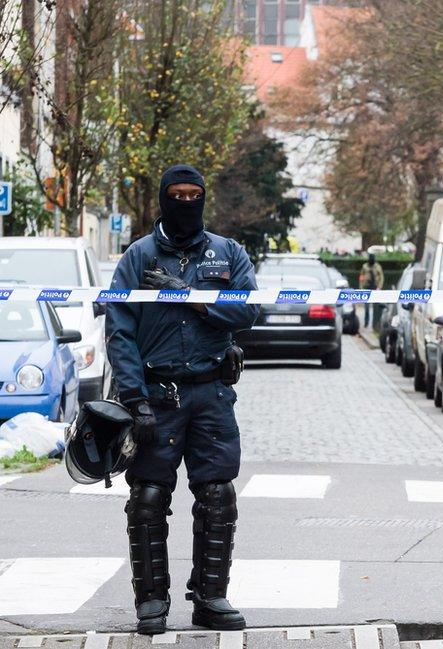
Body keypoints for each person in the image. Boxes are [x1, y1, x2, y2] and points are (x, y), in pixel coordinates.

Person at [106, 164, 259, 635]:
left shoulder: (227, 253)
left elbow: (249, 308)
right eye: (178, 194)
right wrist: (134, 398)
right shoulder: (138, 257)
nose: (187, 202)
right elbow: (119, 330)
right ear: (163, 198)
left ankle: (210, 597)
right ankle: (151, 601)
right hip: (158, 392)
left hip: (212, 393)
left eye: (195, 195)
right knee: (148, 497)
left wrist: (191, 296)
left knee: (217, 495)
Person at [359, 252, 384, 327]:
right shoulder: (365, 267)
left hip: (375, 288)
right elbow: (361, 277)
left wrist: (379, 287)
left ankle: (375, 324)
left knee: (375, 307)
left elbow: (381, 277)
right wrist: (361, 287)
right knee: (366, 307)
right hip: (366, 288)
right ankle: (366, 322)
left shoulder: (377, 267)